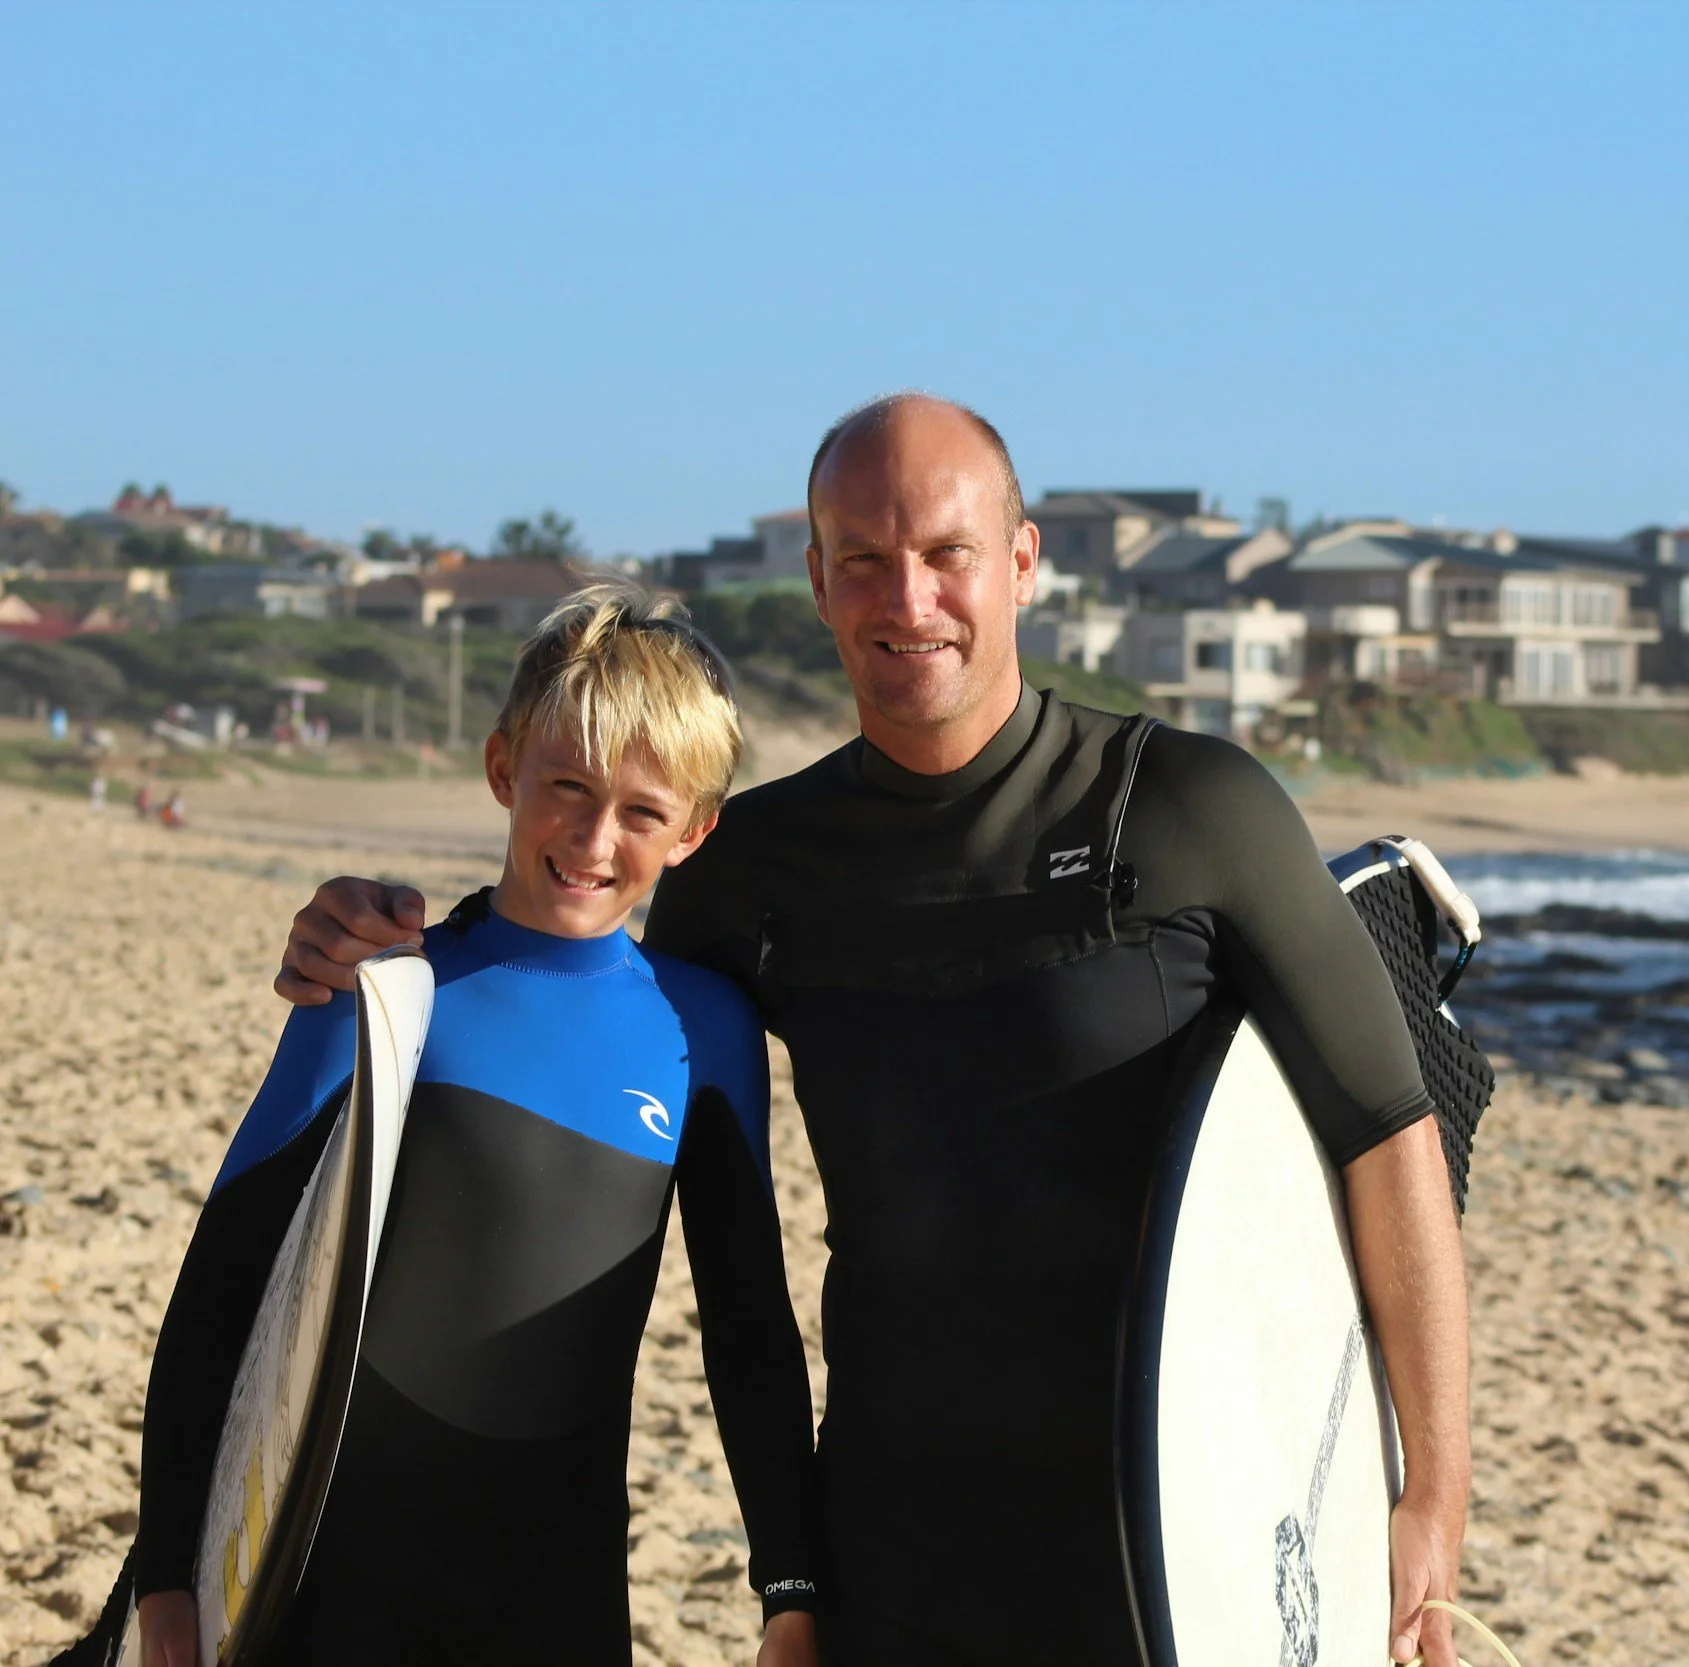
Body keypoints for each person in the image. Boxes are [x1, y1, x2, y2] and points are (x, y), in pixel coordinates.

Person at [275, 395, 1471, 1667]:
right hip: (897, 1537)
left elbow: (1385, 1130)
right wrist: (377, 942)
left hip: (1178, 1513)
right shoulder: (754, 869)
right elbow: (573, 988)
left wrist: (1429, 1497)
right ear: (819, 580)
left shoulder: (1185, 804)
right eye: (864, 559)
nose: (909, 598)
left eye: (947, 552)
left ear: (1019, 560)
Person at [79, 588, 821, 1667]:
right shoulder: (386, 986)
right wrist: (162, 1582)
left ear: (696, 828)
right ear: (501, 767)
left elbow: (748, 1325)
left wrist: (785, 1588)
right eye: (564, 784)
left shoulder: (704, 1029)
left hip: (553, 1589)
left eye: (641, 811)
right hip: (326, 1573)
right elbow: (224, 1278)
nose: (593, 835)